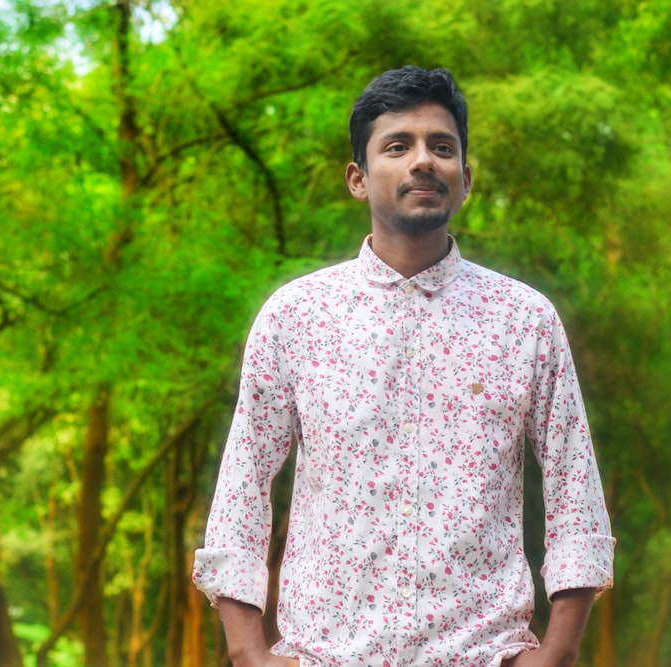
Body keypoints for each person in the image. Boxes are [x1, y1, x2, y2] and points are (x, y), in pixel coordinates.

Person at [193, 65, 614, 667]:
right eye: (399, 146)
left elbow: (574, 488)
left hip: (481, 653)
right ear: (358, 179)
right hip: (326, 655)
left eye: (442, 148)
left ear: (464, 179)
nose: (424, 161)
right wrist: (247, 652)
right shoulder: (296, 317)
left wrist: (558, 651)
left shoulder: (524, 319)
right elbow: (242, 488)